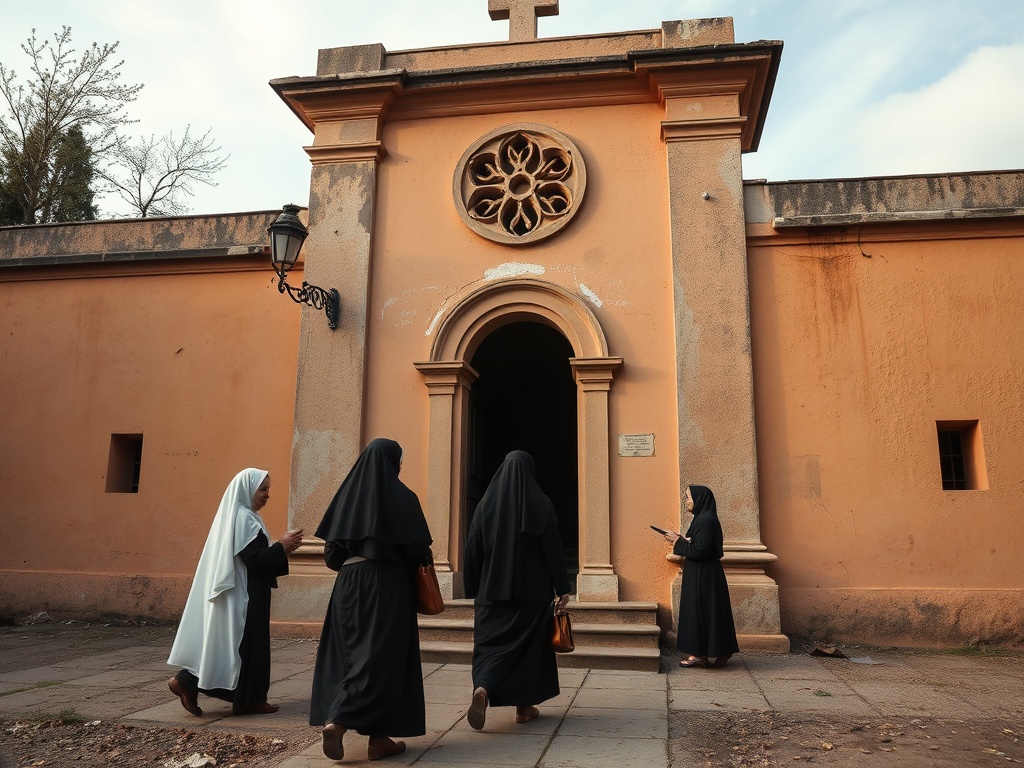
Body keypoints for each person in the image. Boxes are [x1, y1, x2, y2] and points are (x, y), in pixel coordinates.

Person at [310, 438, 433, 762]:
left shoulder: (347, 496)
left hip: (348, 585)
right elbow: (418, 551)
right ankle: (345, 723)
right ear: (393, 464)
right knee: (383, 657)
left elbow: (332, 556)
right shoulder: (405, 498)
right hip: (388, 584)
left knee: (348, 653)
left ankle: (374, 737)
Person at [167, 468, 303, 716]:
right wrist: (281, 547)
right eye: (263, 489)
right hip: (245, 594)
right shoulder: (243, 518)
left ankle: (242, 698)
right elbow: (254, 559)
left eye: (268, 489)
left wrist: (281, 550)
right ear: (247, 490)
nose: (267, 495)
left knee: (240, 646)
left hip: (248, 590)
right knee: (244, 646)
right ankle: (191, 682)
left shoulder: (244, 516)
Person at [463, 450, 572, 731]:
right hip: (533, 595)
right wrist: (563, 588)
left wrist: (474, 587)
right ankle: (524, 708)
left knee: (490, 648)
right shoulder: (541, 503)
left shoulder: (485, 505)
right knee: (529, 650)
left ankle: (484, 689)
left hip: (491, 592)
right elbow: (553, 550)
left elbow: (473, 549)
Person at [660, 484, 739, 668]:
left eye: (689, 497)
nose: (686, 501)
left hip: (702, 574)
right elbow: (700, 544)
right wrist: (682, 539)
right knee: (712, 612)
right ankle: (721, 652)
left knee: (699, 611)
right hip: (707, 573)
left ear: (700, 500)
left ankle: (697, 653)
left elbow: (701, 550)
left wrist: (678, 541)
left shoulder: (704, 520)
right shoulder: (704, 518)